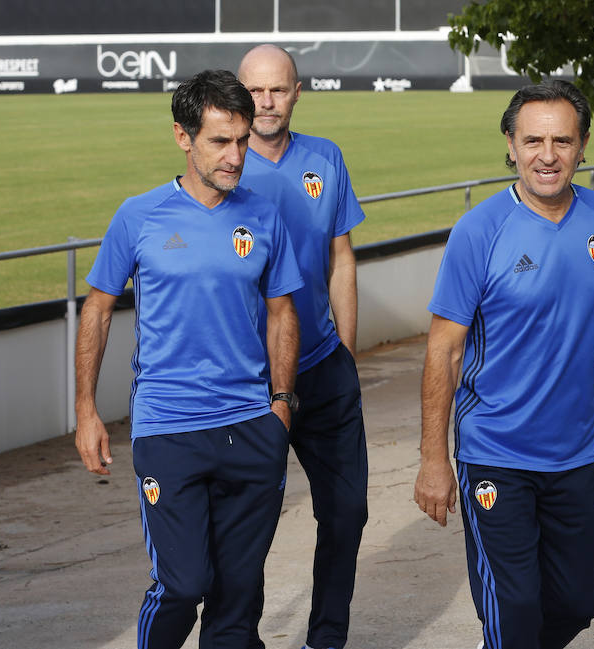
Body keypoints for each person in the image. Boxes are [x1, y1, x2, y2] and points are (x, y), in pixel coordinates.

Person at [413, 80, 594, 649]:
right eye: (533, 141)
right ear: (511, 145)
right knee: (515, 606)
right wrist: (433, 460)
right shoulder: (479, 231)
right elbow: (443, 350)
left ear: (584, 146)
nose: (548, 155)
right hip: (494, 451)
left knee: (577, 601)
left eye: (562, 141)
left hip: (574, 452)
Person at [74, 69, 303, 649]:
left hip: (251, 428)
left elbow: (282, 312)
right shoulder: (138, 216)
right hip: (169, 429)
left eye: (242, 141)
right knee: (183, 584)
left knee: (237, 594)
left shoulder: (263, 215)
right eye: (220, 142)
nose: (234, 156)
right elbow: (97, 311)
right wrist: (85, 411)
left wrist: (280, 405)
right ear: (183, 137)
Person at [236, 45, 368, 649]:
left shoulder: (327, 158)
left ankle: (326, 640)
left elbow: (341, 255)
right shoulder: (226, 168)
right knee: (250, 524)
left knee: (346, 514)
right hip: (250, 384)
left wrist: (345, 348)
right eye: (255, 90)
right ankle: (242, 636)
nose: (266, 102)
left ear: (297, 92)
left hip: (322, 367)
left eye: (278, 89)